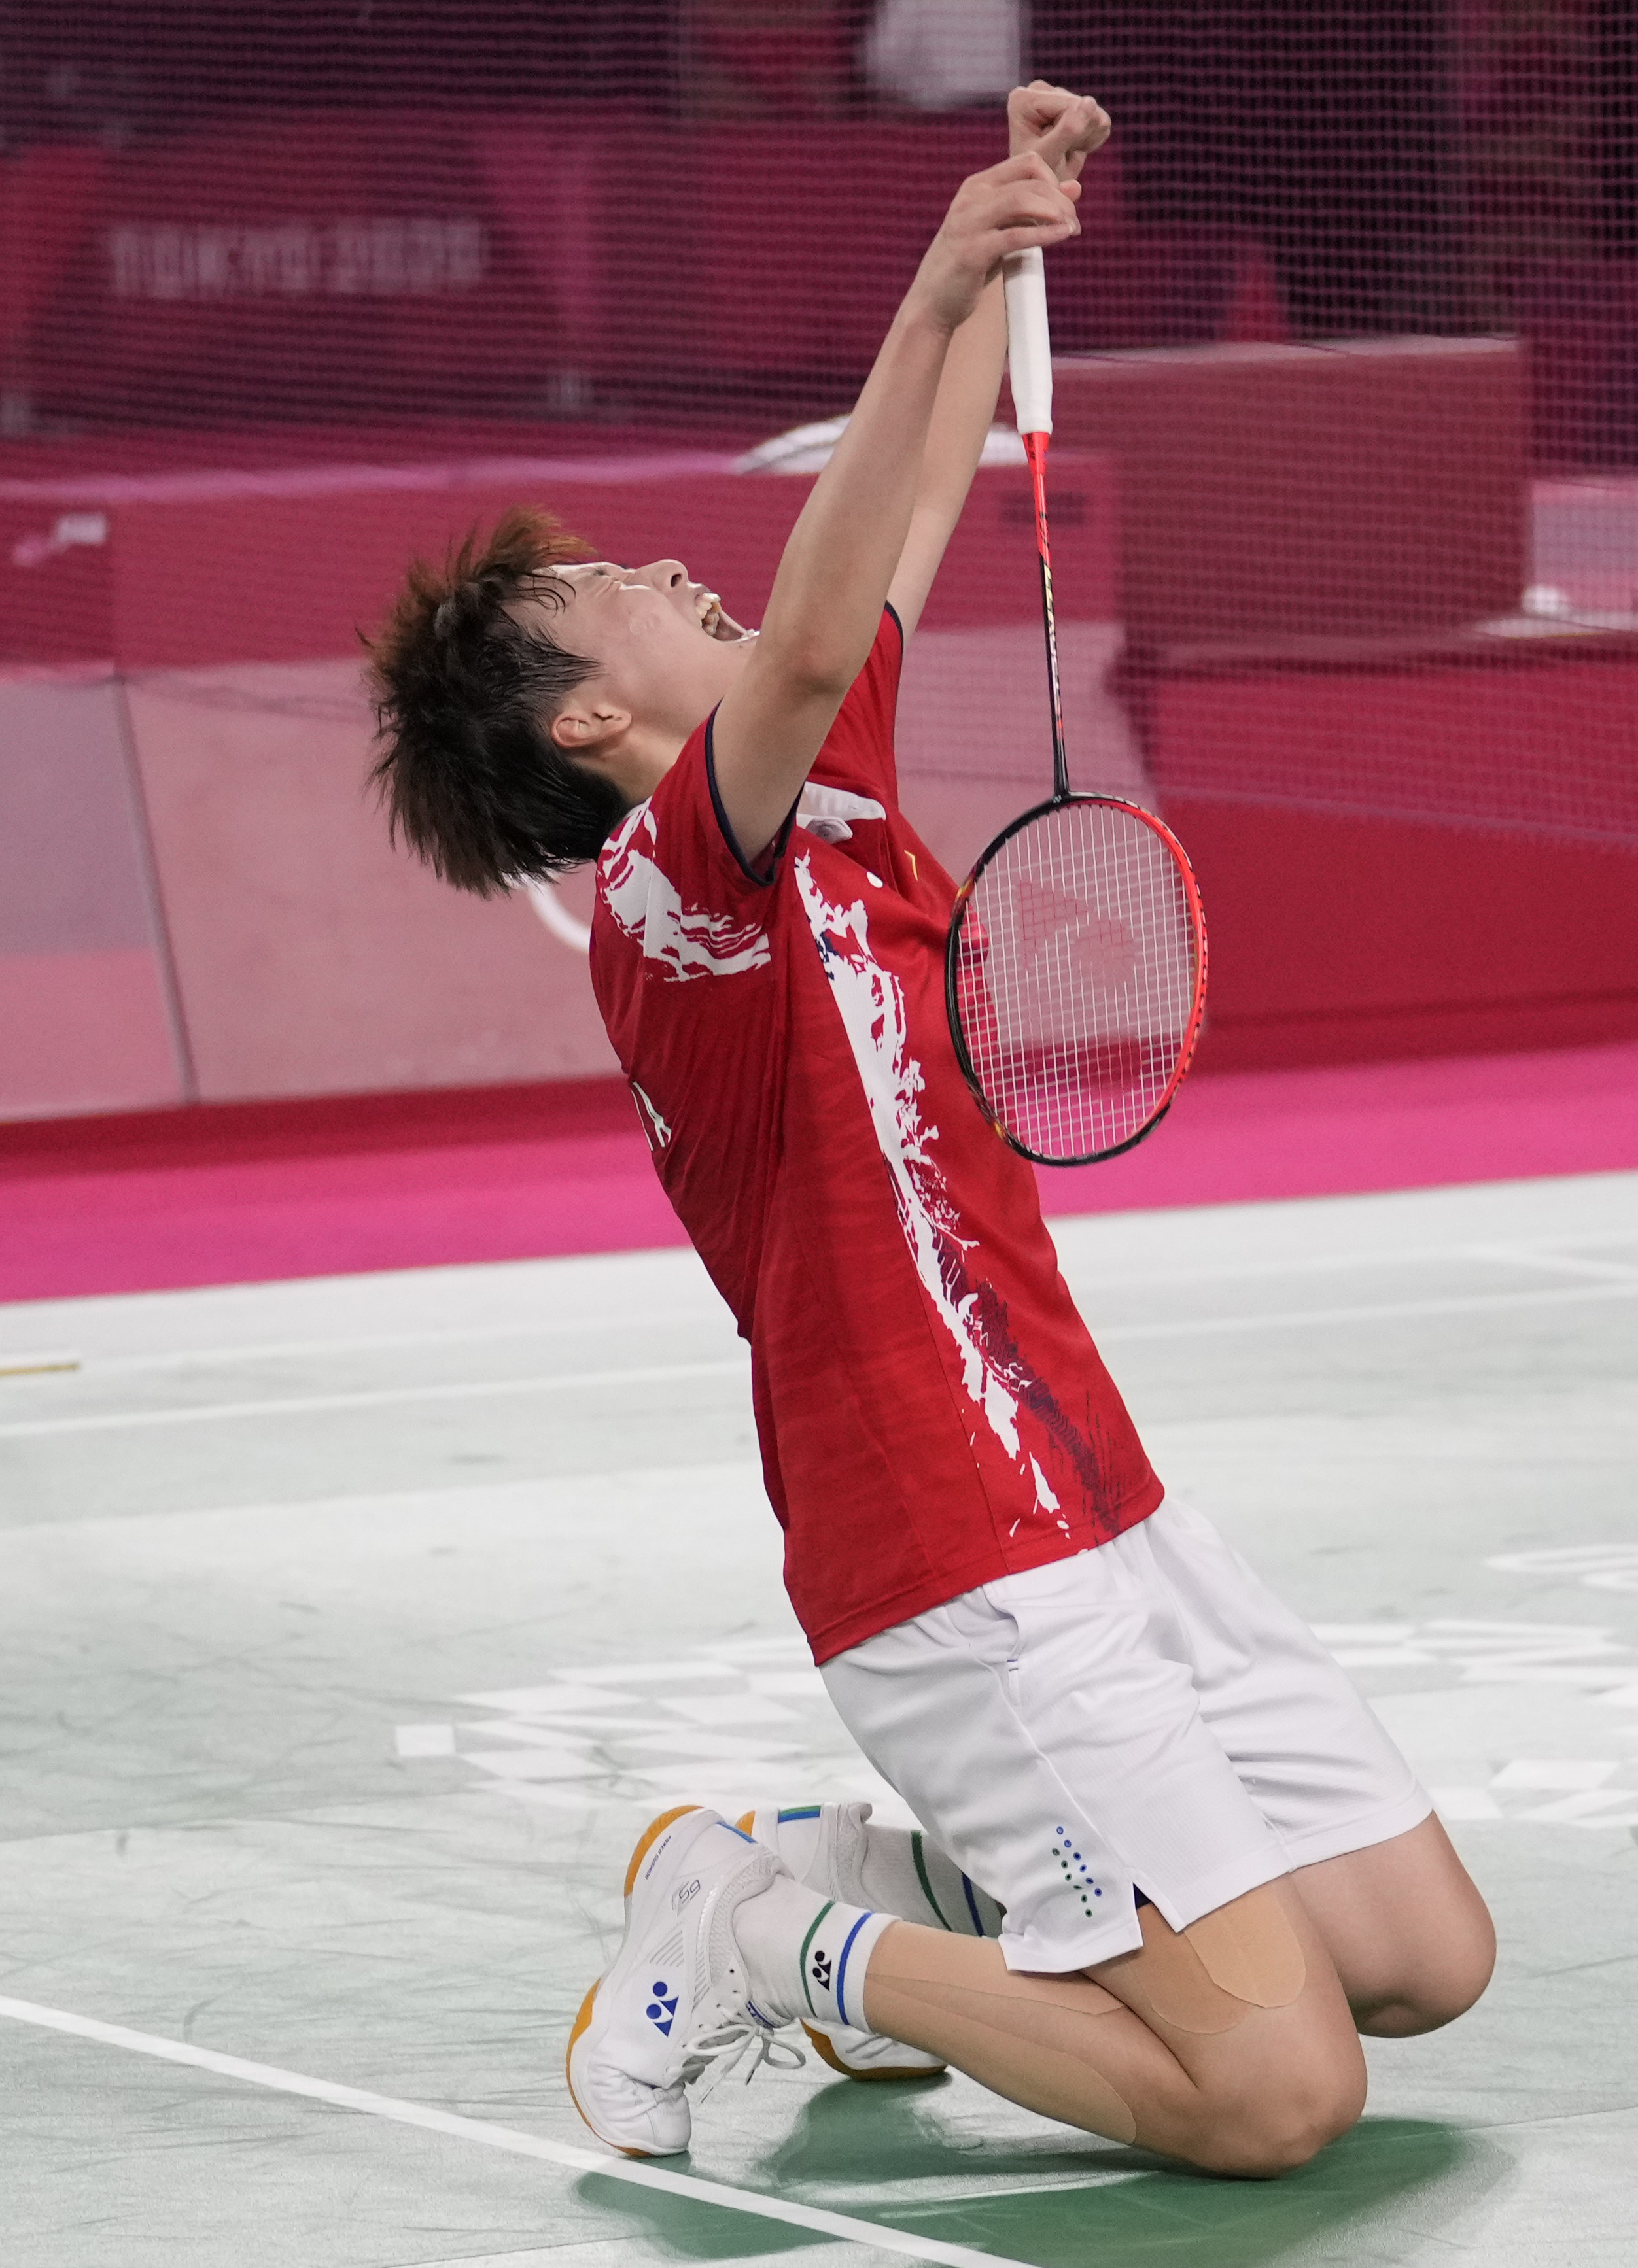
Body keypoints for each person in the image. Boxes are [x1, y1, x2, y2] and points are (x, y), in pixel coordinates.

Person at [360, 82, 1492, 2178]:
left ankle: (925, 1878)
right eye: (611, 588)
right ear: (587, 731)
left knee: (1420, 1951)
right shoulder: (671, 898)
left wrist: (1015, 233)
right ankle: (766, 1925)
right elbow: (803, 623)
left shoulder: (838, 767)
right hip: (942, 1550)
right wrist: (935, 277)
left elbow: (892, 526)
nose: (665, 567)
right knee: (1278, 2090)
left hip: (1089, 1478)